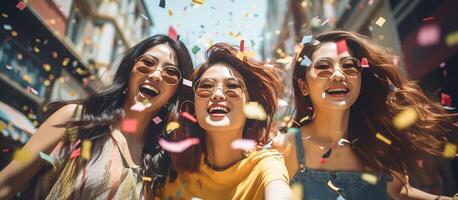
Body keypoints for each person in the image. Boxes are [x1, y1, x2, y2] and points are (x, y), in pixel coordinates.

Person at [0, 34, 194, 199]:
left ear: (175, 92)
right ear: (129, 71)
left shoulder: (159, 161)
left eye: (170, 72)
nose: (156, 75)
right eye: (147, 63)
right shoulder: (75, 119)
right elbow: (6, 185)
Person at [273, 30, 457, 200]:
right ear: (303, 85)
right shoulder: (285, 148)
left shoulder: (377, 142)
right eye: (323, 66)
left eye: (349, 66)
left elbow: (397, 191)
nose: (338, 75)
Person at [162, 43, 291, 200]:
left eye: (232, 86)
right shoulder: (174, 166)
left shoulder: (266, 165)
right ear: (193, 106)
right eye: (206, 86)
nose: (217, 95)